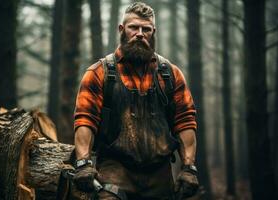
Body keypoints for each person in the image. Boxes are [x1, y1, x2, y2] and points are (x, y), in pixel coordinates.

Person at [73, 2, 199, 199]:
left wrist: (189, 167)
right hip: (114, 172)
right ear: (122, 29)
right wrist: (83, 163)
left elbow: (185, 121)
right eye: (134, 27)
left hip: (160, 175)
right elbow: (85, 120)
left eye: (146, 29)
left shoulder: (170, 74)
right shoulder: (99, 73)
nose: (140, 33)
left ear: (153, 32)